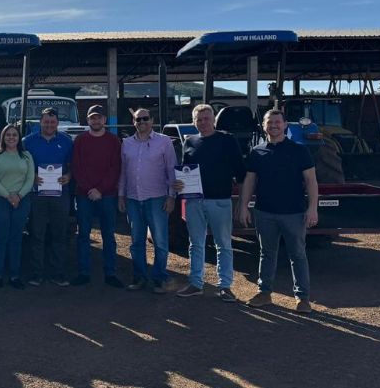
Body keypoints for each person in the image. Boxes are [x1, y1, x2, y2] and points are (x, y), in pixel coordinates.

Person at [239, 109, 318, 314]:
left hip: (294, 213)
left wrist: (312, 208)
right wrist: (243, 207)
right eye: (269, 122)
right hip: (264, 212)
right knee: (267, 253)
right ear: (264, 126)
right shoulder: (257, 151)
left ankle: (302, 298)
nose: (273, 125)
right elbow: (249, 181)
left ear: (285, 125)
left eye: (277, 122)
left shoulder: (299, 150)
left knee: (298, 255)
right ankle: (264, 293)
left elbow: (311, 180)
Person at [174, 104, 245, 302]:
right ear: (194, 121)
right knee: (195, 243)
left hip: (220, 201)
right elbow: (185, 171)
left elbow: (240, 172)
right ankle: (196, 283)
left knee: (223, 244)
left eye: (207, 118)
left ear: (213, 119)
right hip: (194, 202)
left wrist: (241, 201)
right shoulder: (189, 142)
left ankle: (225, 286)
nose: (203, 122)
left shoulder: (227, 140)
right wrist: (180, 186)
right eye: (199, 119)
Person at [118, 108, 177, 294]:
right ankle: (139, 277)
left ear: (152, 120)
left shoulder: (164, 142)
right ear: (133, 121)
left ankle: (160, 277)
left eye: (145, 118)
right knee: (136, 241)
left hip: (157, 198)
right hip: (133, 198)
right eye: (137, 119)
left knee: (160, 241)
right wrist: (121, 195)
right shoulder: (126, 143)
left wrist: (171, 196)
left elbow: (172, 170)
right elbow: (123, 172)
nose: (141, 122)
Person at [71, 105, 123, 287]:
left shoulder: (114, 141)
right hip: (84, 196)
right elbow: (77, 168)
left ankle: (110, 273)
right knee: (83, 235)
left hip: (107, 195)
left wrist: (100, 189)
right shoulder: (80, 140)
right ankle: (84, 272)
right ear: (88, 120)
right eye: (92, 117)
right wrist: (89, 189)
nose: (96, 121)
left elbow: (115, 168)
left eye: (99, 117)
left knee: (109, 235)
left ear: (105, 120)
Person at [22, 107, 73, 287]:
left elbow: (72, 165)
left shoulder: (67, 142)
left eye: (52, 122)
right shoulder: (27, 142)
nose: (49, 125)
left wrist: (69, 176)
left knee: (59, 235)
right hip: (37, 195)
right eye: (46, 121)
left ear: (57, 123)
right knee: (37, 234)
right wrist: (32, 177)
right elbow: (21, 166)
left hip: (60, 195)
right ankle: (37, 273)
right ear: (40, 122)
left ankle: (57, 272)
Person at [0, 124, 35, 289]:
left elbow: (30, 179)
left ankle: (15, 276)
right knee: (1, 238)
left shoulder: (26, 156)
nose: (11, 137)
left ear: (19, 137)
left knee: (16, 238)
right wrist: (8, 196)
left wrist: (19, 195)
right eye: (8, 135)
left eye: (14, 135)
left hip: (21, 200)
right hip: (0, 200)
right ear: (3, 137)